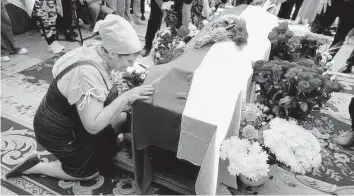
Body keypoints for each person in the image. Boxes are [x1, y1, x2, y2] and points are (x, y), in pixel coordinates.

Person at [5, 14, 154, 180]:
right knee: (89, 173)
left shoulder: (95, 49)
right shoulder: (87, 75)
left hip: (72, 121)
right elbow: (92, 126)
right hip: (59, 134)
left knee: (121, 117)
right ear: (112, 53)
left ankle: (95, 146)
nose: (131, 66)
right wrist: (125, 97)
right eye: (128, 61)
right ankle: (38, 167)